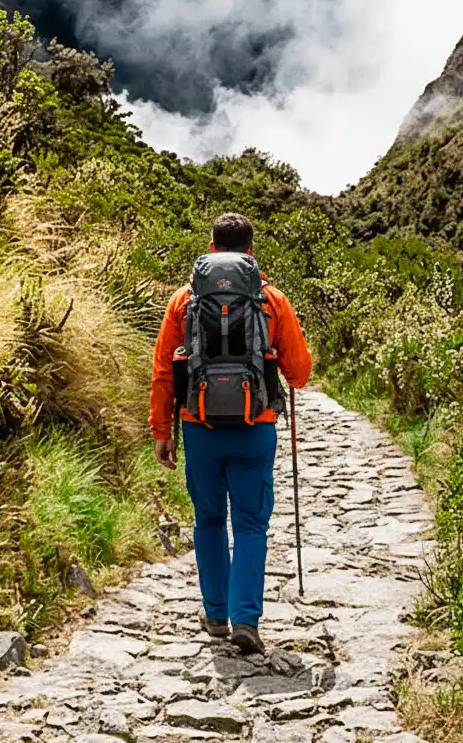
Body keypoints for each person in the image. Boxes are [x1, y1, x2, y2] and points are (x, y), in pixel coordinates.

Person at [150, 212, 312, 654]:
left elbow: (165, 368)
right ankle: (246, 619)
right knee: (251, 524)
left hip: (198, 426)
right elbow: (298, 374)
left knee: (208, 520)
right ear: (251, 249)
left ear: (211, 246)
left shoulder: (184, 300)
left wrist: (162, 429)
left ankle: (216, 614)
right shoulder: (272, 300)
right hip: (254, 428)